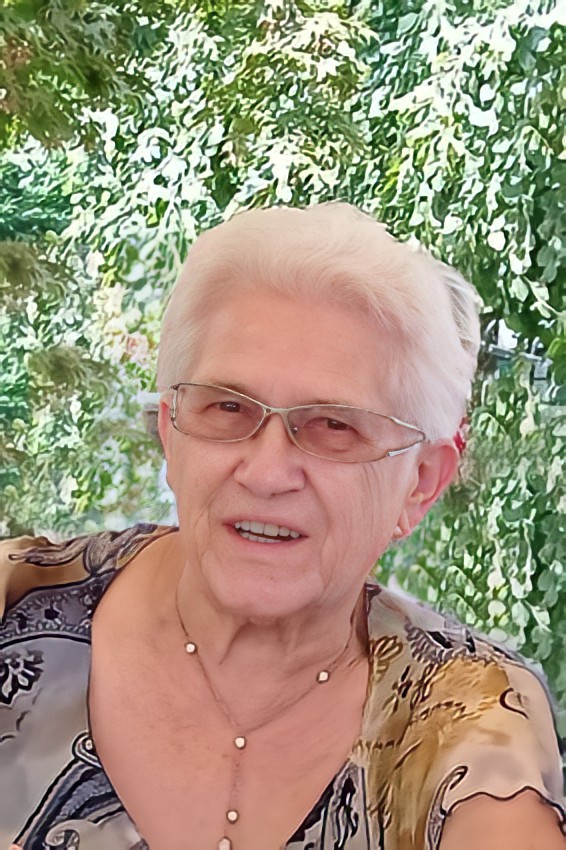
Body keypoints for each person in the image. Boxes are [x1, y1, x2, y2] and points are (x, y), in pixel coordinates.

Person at [0, 203, 564, 850]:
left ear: (420, 483)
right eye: (227, 407)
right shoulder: (15, 602)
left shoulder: (469, 712)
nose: (267, 474)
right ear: (171, 433)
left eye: (334, 426)